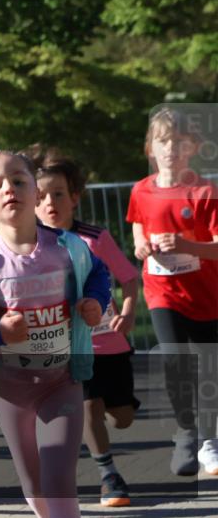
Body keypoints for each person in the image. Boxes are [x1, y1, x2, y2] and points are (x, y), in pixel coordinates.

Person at [0, 150, 111, 518]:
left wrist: (95, 302)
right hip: (10, 387)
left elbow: (100, 276)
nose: (9, 189)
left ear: (36, 193)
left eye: (19, 181)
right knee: (33, 484)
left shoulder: (68, 248)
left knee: (58, 478)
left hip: (61, 379)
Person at [27, 145, 141, 506]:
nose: (50, 203)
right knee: (89, 408)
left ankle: (113, 412)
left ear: (74, 198)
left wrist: (129, 310)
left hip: (111, 343)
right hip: (71, 348)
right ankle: (109, 476)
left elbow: (129, 279)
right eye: (41, 196)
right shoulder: (28, 247)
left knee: (121, 417)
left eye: (58, 194)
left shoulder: (95, 238)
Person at [125, 107, 218, 476]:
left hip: (206, 295)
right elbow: (136, 228)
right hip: (162, 290)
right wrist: (141, 246)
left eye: (179, 142)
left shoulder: (204, 191)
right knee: (174, 359)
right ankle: (186, 432)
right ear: (151, 147)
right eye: (163, 141)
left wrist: (185, 245)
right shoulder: (140, 190)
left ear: (193, 147)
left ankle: (210, 441)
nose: (170, 149)